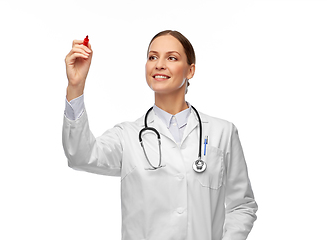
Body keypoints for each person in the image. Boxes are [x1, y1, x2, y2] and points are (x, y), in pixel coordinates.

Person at [62, 30, 258, 240]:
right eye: (152, 57)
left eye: (171, 58)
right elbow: (80, 156)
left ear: (190, 70)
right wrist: (76, 86)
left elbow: (242, 205)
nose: (159, 64)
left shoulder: (222, 132)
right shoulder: (127, 136)